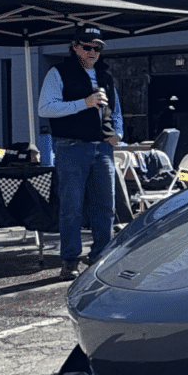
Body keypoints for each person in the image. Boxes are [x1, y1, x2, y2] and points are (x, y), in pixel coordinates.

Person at [38, 27, 123, 280]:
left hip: (103, 148)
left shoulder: (105, 75)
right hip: (71, 146)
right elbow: (45, 108)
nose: (93, 52)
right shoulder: (58, 72)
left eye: (97, 48)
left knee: (105, 206)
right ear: (74, 46)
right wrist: (83, 103)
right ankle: (70, 259)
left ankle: (100, 254)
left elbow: (116, 110)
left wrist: (118, 133)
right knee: (72, 207)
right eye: (87, 47)